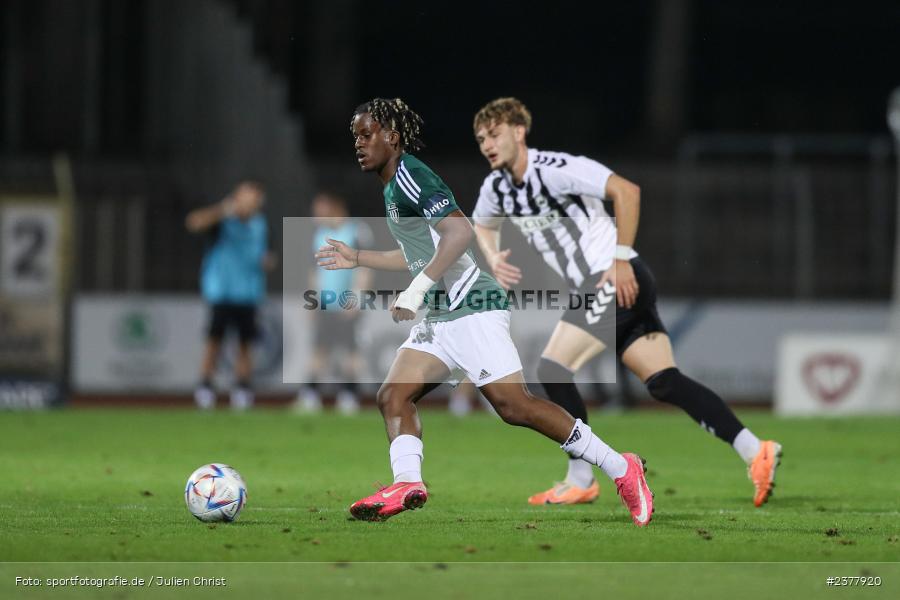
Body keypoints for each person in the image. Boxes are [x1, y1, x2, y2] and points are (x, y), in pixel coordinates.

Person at [316, 97, 654, 525]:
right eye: (355, 138)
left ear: (392, 137)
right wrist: (359, 257)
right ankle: (406, 482)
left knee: (514, 406)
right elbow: (421, 253)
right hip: (443, 314)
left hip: (471, 305)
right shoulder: (392, 184)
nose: (359, 145)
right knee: (393, 394)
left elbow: (460, 232)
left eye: (367, 135)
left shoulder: (411, 176)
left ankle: (623, 469)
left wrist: (418, 289)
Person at [471, 97, 782, 507]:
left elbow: (626, 190)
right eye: (480, 139)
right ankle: (754, 450)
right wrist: (493, 257)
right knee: (664, 381)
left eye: (494, 135)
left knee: (553, 368)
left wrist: (619, 259)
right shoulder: (497, 188)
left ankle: (581, 477)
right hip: (612, 284)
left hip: (613, 276)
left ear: (518, 131)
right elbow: (481, 224)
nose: (487, 145)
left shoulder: (556, 169)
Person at [186, 180, 271, 410]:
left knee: (245, 344)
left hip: (248, 295)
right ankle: (205, 387)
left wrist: (266, 262)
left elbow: (259, 255)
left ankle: (242, 388)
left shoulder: (259, 225)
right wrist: (223, 210)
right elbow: (193, 222)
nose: (250, 203)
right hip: (222, 293)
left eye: (254, 199)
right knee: (214, 342)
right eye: (246, 197)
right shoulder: (222, 221)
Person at [295, 191, 373, 415]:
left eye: (319, 208)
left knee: (351, 349)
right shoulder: (319, 234)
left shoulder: (357, 230)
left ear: (334, 207)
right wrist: (311, 300)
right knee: (320, 348)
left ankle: (349, 395)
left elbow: (365, 267)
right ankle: (310, 395)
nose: (315, 214)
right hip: (325, 302)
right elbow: (314, 271)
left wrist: (356, 297)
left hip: (348, 302)